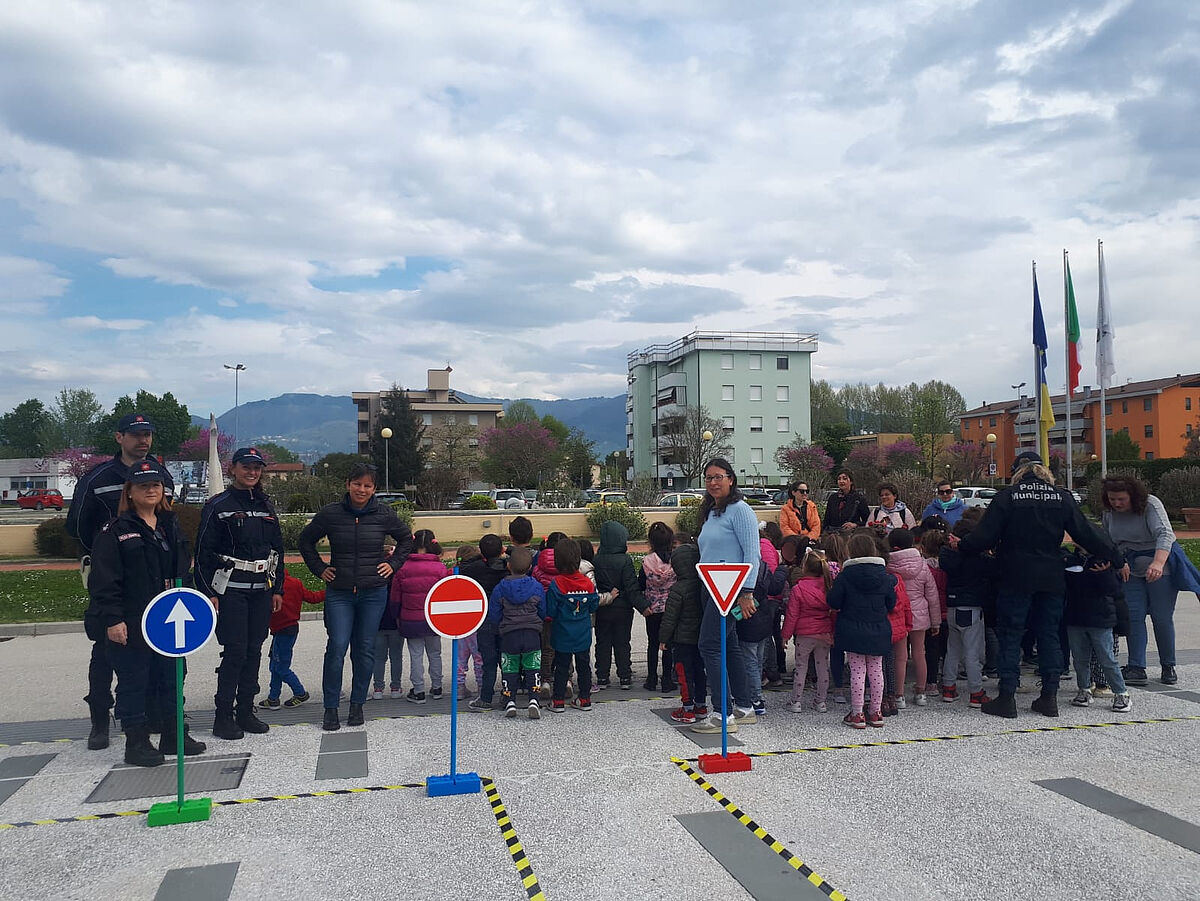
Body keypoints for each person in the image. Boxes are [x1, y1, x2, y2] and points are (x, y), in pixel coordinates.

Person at [950, 451, 1123, 719]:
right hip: (1051, 578)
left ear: (1018, 472)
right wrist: (1116, 556)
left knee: (1011, 635)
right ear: (1045, 472)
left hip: (1015, 575)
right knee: (1049, 635)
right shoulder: (1061, 497)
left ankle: (1006, 698)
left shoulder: (1008, 497)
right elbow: (1087, 532)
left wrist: (961, 545)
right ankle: (1049, 698)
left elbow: (984, 537)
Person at [67, 412, 177, 752]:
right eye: (135, 434)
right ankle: (100, 718)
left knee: (157, 652)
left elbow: (167, 519)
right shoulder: (97, 478)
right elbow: (77, 527)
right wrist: (107, 555)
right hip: (114, 579)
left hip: (153, 579)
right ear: (119, 438)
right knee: (106, 650)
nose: (143, 440)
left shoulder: (162, 475)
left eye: (147, 434)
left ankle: (154, 718)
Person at [85, 461, 204, 765]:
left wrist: (194, 600)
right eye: (143, 486)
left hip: (168, 616)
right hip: (132, 618)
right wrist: (113, 619)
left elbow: (182, 569)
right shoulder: (116, 531)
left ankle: (173, 735)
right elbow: (104, 580)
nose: (151, 490)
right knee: (134, 680)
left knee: (172, 677)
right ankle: (136, 742)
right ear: (130, 491)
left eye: (155, 485)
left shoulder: (169, 525)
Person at [299, 462, 414, 732]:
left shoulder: (384, 514)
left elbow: (406, 539)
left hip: (373, 592)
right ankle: (330, 708)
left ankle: (357, 705)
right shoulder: (331, 514)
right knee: (337, 647)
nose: (362, 490)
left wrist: (393, 564)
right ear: (348, 484)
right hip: (339, 593)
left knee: (364, 650)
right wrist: (319, 568)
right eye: (357, 484)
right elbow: (305, 541)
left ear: (374, 488)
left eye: (368, 485)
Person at [195, 447, 284, 741]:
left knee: (254, 651)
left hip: (260, 591)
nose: (252, 473)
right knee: (234, 652)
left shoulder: (266, 505)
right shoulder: (218, 505)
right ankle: (223, 716)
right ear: (233, 468)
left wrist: (278, 588)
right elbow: (204, 552)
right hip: (230, 591)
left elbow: (277, 551)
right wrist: (208, 592)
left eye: (257, 468)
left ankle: (246, 711)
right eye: (246, 467)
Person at [690, 458, 761, 735]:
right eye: (708, 478)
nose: (713, 482)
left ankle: (722, 713)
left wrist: (747, 592)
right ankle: (743, 706)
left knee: (708, 644)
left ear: (731, 479)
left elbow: (751, 553)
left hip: (732, 588)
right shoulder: (712, 511)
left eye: (718, 476)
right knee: (728, 645)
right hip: (711, 586)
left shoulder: (740, 510)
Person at [1100, 475, 1179, 686]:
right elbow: (1108, 540)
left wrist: (1158, 563)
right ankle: (1136, 666)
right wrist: (1118, 561)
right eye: (1112, 499)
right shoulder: (1109, 513)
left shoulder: (1151, 504)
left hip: (1159, 566)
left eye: (1121, 499)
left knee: (1161, 618)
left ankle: (1168, 665)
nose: (1116, 503)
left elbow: (1165, 533)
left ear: (1133, 497)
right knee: (1133, 616)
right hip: (1129, 569)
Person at [828, 532, 897, 729]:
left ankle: (857, 713)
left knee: (857, 671)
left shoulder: (845, 575)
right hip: (878, 627)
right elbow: (891, 602)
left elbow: (833, 601)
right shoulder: (884, 576)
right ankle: (876, 711)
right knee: (876, 670)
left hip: (852, 628)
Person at [938, 516, 996, 707]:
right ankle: (976, 691)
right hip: (971, 606)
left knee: (952, 649)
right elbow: (994, 568)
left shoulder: (947, 555)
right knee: (972, 652)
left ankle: (948, 687)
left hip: (952, 605)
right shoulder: (977, 558)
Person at [1063, 549, 1131, 712]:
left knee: (1107, 658)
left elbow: (1114, 590)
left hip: (1100, 618)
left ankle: (1121, 693)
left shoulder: (1106, 560)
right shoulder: (1071, 560)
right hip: (1075, 616)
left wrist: (1105, 573)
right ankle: (1084, 689)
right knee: (1079, 658)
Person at [488, 547, 547, 718]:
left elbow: (494, 614)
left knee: (509, 669)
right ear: (530, 568)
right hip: (532, 634)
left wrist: (500, 626)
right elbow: (543, 610)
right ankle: (534, 700)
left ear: (508, 565)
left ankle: (510, 701)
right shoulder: (536, 586)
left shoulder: (500, 588)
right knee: (532, 668)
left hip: (509, 635)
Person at [392, 529, 449, 704]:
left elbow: (395, 598)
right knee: (435, 653)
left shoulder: (403, 567)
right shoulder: (440, 568)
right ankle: (437, 687)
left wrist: (396, 617)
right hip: (434, 619)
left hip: (410, 618)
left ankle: (418, 690)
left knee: (415, 654)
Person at [545, 539, 602, 712]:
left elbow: (551, 610)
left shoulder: (557, 583)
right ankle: (584, 699)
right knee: (584, 665)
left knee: (561, 666)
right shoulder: (587, 583)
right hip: (582, 632)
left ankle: (558, 701)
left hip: (562, 632)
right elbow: (593, 605)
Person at [886, 529, 940, 707]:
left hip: (899, 614)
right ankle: (921, 692)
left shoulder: (889, 566)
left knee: (900, 657)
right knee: (920, 653)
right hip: (920, 614)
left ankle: (899, 694)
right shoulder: (923, 565)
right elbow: (932, 596)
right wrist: (935, 621)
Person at [258, 568, 324, 710]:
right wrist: (329, 592)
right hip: (290, 629)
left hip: (280, 630)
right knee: (275, 666)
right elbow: (313, 598)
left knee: (280, 667)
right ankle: (273, 698)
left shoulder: (270, 586)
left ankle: (300, 693)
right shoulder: (296, 583)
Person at [593, 520, 646, 690]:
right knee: (622, 642)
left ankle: (602, 676)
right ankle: (624, 676)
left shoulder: (596, 560)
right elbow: (632, 587)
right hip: (623, 608)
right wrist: (643, 606)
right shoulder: (625, 560)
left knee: (603, 643)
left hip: (603, 607)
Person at [659, 540, 707, 724]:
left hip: (682, 640)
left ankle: (687, 708)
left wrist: (664, 639)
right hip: (700, 637)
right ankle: (701, 706)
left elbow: (670, 617)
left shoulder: (678, 589)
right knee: (699, 671)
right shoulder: (703, 585)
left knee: (684, 673)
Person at [781, 550, 835, 713]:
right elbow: (833, 611)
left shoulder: (799, 588)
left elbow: (792, 614)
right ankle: (821, 702)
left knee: (801, 667)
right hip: (824, 632)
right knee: (822, 667)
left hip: (804, 634)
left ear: (805, 567)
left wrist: (785, 635)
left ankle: (796, 702)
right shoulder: (828, 586)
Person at [463, 534, 509, 711]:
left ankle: (486, 697)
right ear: (502, 549)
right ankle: (507, 695)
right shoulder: (508, 566)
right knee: (506, 660)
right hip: (506, 618)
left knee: (488, 661)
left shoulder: (475, 568)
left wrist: (478, 556)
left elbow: (463, 566)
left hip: (485, 619)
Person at [638, 522, 677, 692]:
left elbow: (640, 583)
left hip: (652, 609)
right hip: (671, 609)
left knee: (652, 643)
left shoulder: (647, 562)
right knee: (668, 644)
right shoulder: (675, 561)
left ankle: (651, 679)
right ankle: (667, 679)